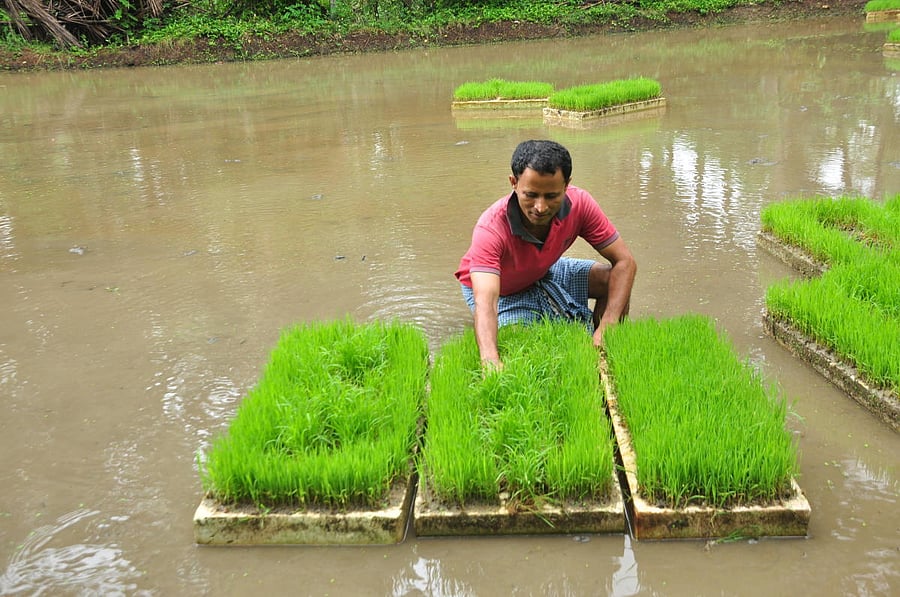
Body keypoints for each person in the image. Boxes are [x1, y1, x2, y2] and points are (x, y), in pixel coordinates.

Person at [455, 139, 637, 370]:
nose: (540, 207)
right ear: (513, 183)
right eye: (530, 195)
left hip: (543, 269)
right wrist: (490, 361)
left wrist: (608, 326)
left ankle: (601, 353)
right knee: (525, 340)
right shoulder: (491, 228)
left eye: (551, 196)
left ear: (567, 185)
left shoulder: (580, 204)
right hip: (503, 289)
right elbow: (487, 302)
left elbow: (625, 262)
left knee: (614, 281)